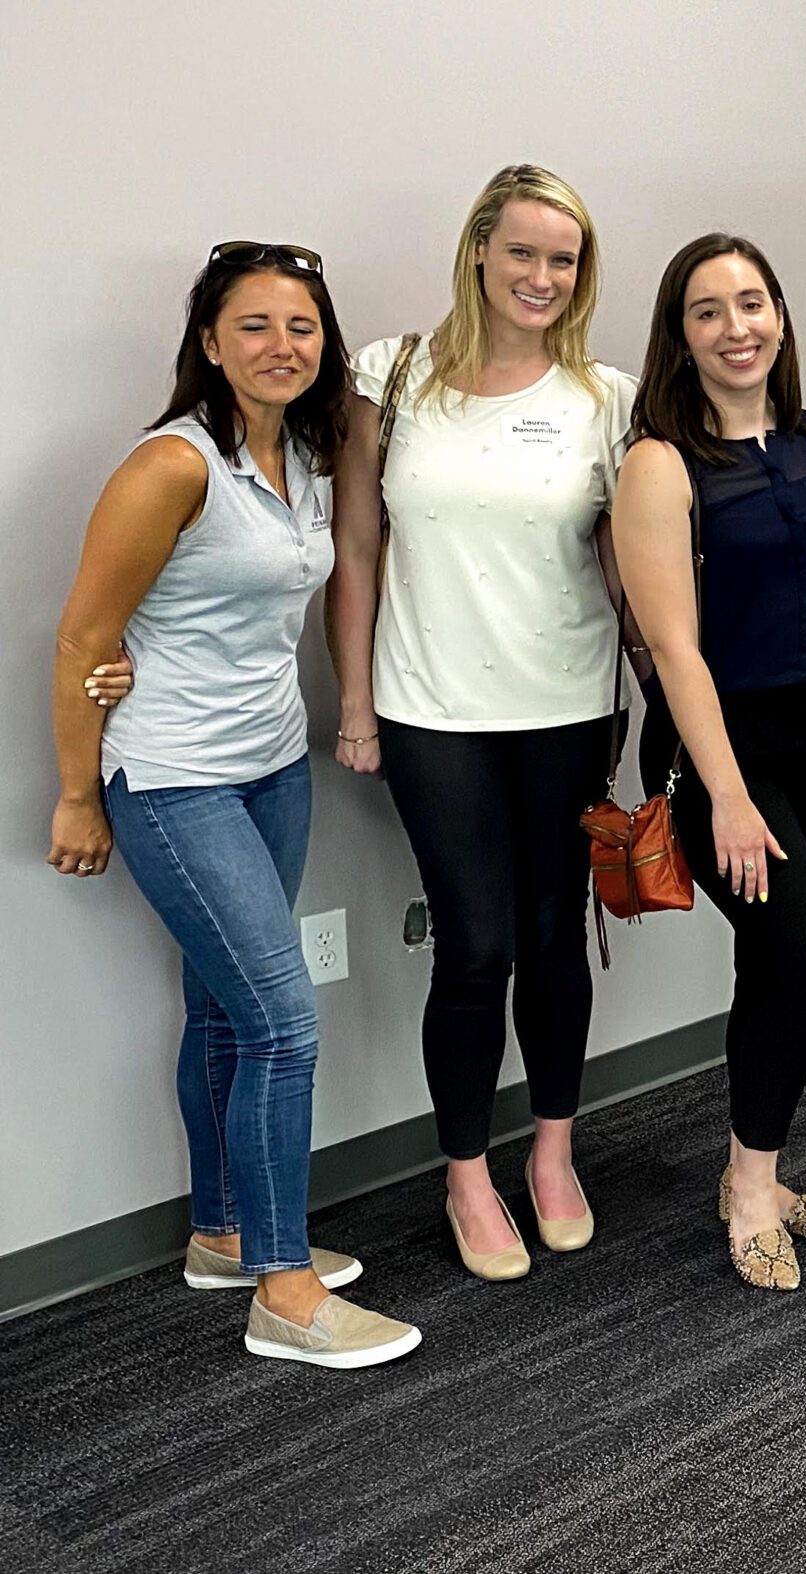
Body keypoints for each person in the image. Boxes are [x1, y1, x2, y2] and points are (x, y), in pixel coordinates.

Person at [48, 243, 418, 1367]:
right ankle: (284, 1289)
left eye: (301, 326)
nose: (280, 346)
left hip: (271, 765)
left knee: (220, 1010)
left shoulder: (308, 453)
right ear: (209, 341)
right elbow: (83, 637)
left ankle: (222, 1233)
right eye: (253, 325)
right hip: (172, 778)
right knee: (281, 1023)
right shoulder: (173, 465)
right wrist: (78, 793)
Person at [325, 165, 637, 1280]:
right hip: (431, 710)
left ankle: (552, 1152)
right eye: (523, 252)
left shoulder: (607, 396)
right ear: (478, 252)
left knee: (554, 938)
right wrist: (354, 703)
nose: (542, 276)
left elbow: (629, 565)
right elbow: (356, 544)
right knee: (475, 946)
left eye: (564, 259)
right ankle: (466, 1174)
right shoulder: (393, 373)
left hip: (570, 706)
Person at [615, 234, 806, 1291]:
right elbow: (673, 649)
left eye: (751, 302)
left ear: (780, 317)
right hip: (719, 748)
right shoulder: (660, 464)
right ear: (681, 337)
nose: (735, 327)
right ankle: (755, 1191)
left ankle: (746, 1168)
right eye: (707, 311)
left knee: (774, 964)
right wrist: (725, 794)